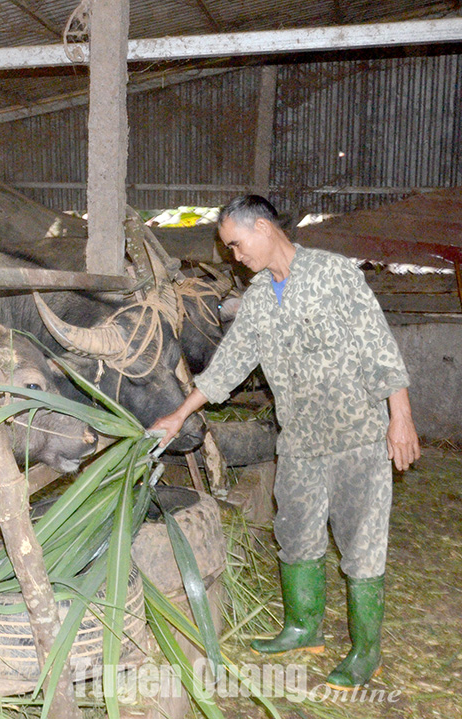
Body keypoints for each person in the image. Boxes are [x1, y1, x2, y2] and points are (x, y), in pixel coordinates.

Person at [151, 195, 419, 688]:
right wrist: (176, 415)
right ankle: (302, 628)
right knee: (295, 537)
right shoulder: (255, 299)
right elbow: (228, 368)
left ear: (262, 228)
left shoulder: (333, 274)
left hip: (356, 438)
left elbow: (378, 345)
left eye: (235, 243)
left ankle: (365, 650)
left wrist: (399, 417)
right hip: (298, 444)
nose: (233, 255)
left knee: (361, 547)